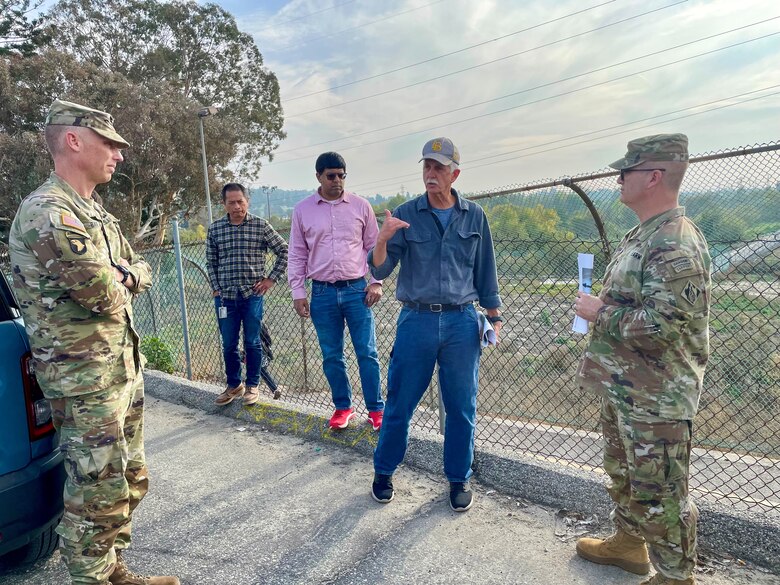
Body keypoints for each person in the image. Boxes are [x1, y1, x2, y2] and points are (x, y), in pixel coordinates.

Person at [8, 99, 179, 585]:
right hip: (83, 380)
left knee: (127, 481)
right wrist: (124, 276)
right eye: (110, 143)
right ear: (73, 141)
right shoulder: (48, 211)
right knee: (96, 490)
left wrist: (124, 274)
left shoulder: (92, 211)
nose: (119, 155)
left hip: (118, 367)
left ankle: (111, 570)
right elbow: (103, 293)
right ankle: (91, 577)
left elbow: (137, 267)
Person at [573, 134, 711, 585]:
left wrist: (600, 312)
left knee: (662, 492)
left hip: (657, 398)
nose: (618, 179)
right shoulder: (645, 233)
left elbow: (664, 329)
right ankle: (629, 546)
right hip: (627, 388)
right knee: (624, 474)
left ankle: (675, 577)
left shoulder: (675, 243)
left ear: (653, 177)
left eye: (625, 172)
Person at [368, 137, 503, 512]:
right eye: (427, 166)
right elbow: (379, 267)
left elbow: (485, 269)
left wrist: (494, 316)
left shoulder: (474, 215)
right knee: (400, 403)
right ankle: (384, 471)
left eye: (439, 168)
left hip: (462, 322)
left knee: (461, 406)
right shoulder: (405, 213)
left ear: (454, 174)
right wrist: (382, 238)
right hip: (417, 321)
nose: (431, 173)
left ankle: (459, 478)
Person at [287, 152, 385, 430]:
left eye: (342, 175)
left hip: (357, 291)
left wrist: (376, 281)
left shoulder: (360, 207)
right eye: (331, 176)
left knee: (367, 352)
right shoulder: (303, 210)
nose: (337, 181)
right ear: (318, 176)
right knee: (331, 354)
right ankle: (343, 407)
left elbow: (375, 247)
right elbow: (296, 253)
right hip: (322, 294)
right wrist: (298, 291)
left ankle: (376, 410)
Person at [207, 183, 288, 407]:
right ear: (224, 204)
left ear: (247, 201)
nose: (236, 206)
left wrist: (271, 279)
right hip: (225, 297)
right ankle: (234, 385)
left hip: (252, 295)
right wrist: (216, 287)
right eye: (231, 202)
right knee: (229, 344)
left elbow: (284, 251)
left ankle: (252, 386)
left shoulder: (261, 227)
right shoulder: (215, 229)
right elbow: (211, 262)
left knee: (252, 342)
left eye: (240, 201)